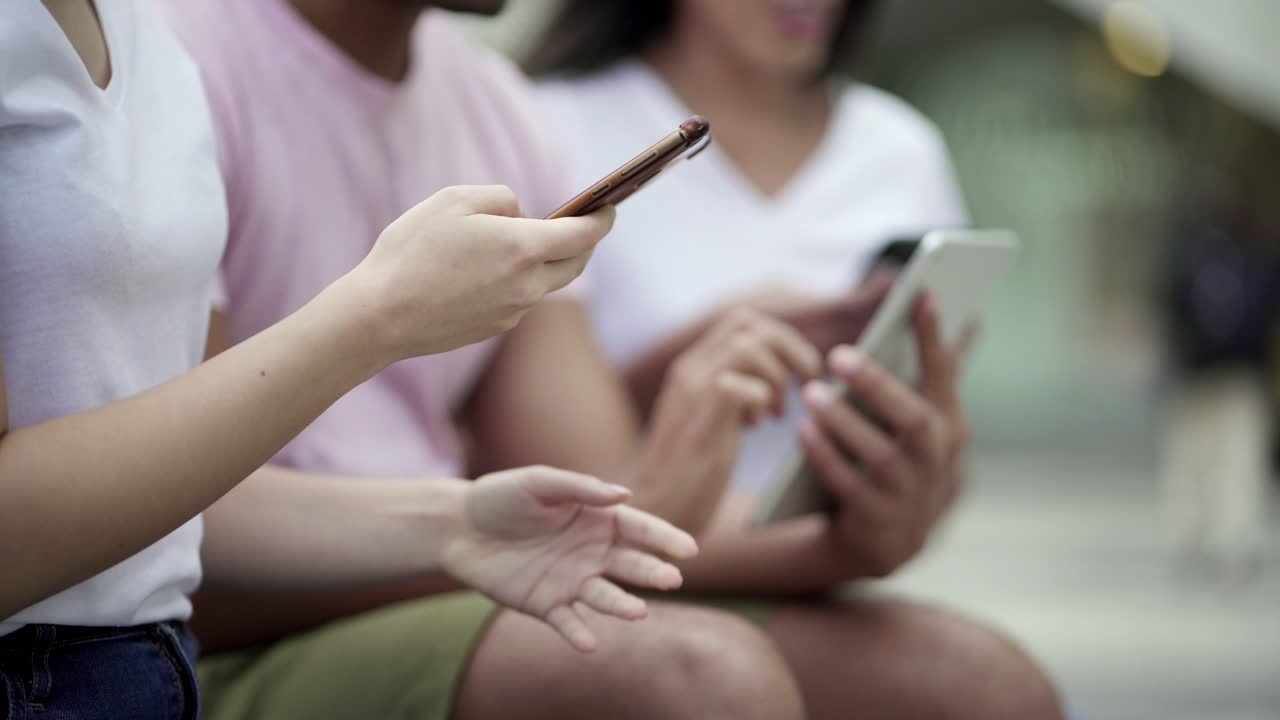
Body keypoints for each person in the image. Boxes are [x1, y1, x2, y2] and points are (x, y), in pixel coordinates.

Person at [161, 0, 1064, 719]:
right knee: (704, 680)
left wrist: (852, 535)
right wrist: (475, 528)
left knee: (985, 689)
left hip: (449, 578)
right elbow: (175, 542)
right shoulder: (182, 59)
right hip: (249, 635)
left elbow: (610, 501)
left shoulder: (497, 109)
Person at [0, 1, 698, 717]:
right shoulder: (198, 41)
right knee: (695, 675)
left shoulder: (141, 33)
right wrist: (376, 316)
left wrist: (453, 525)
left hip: (149, 658)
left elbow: (173, 503)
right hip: (86, 662)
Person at [530, 0, 1069, 716]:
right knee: (984, 688)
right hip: (620, 581)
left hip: (812, 591)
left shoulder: (900, 149)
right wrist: (701, 352)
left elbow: (938, 465)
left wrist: (912, 488)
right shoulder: (547, 126)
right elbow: (555, 493)